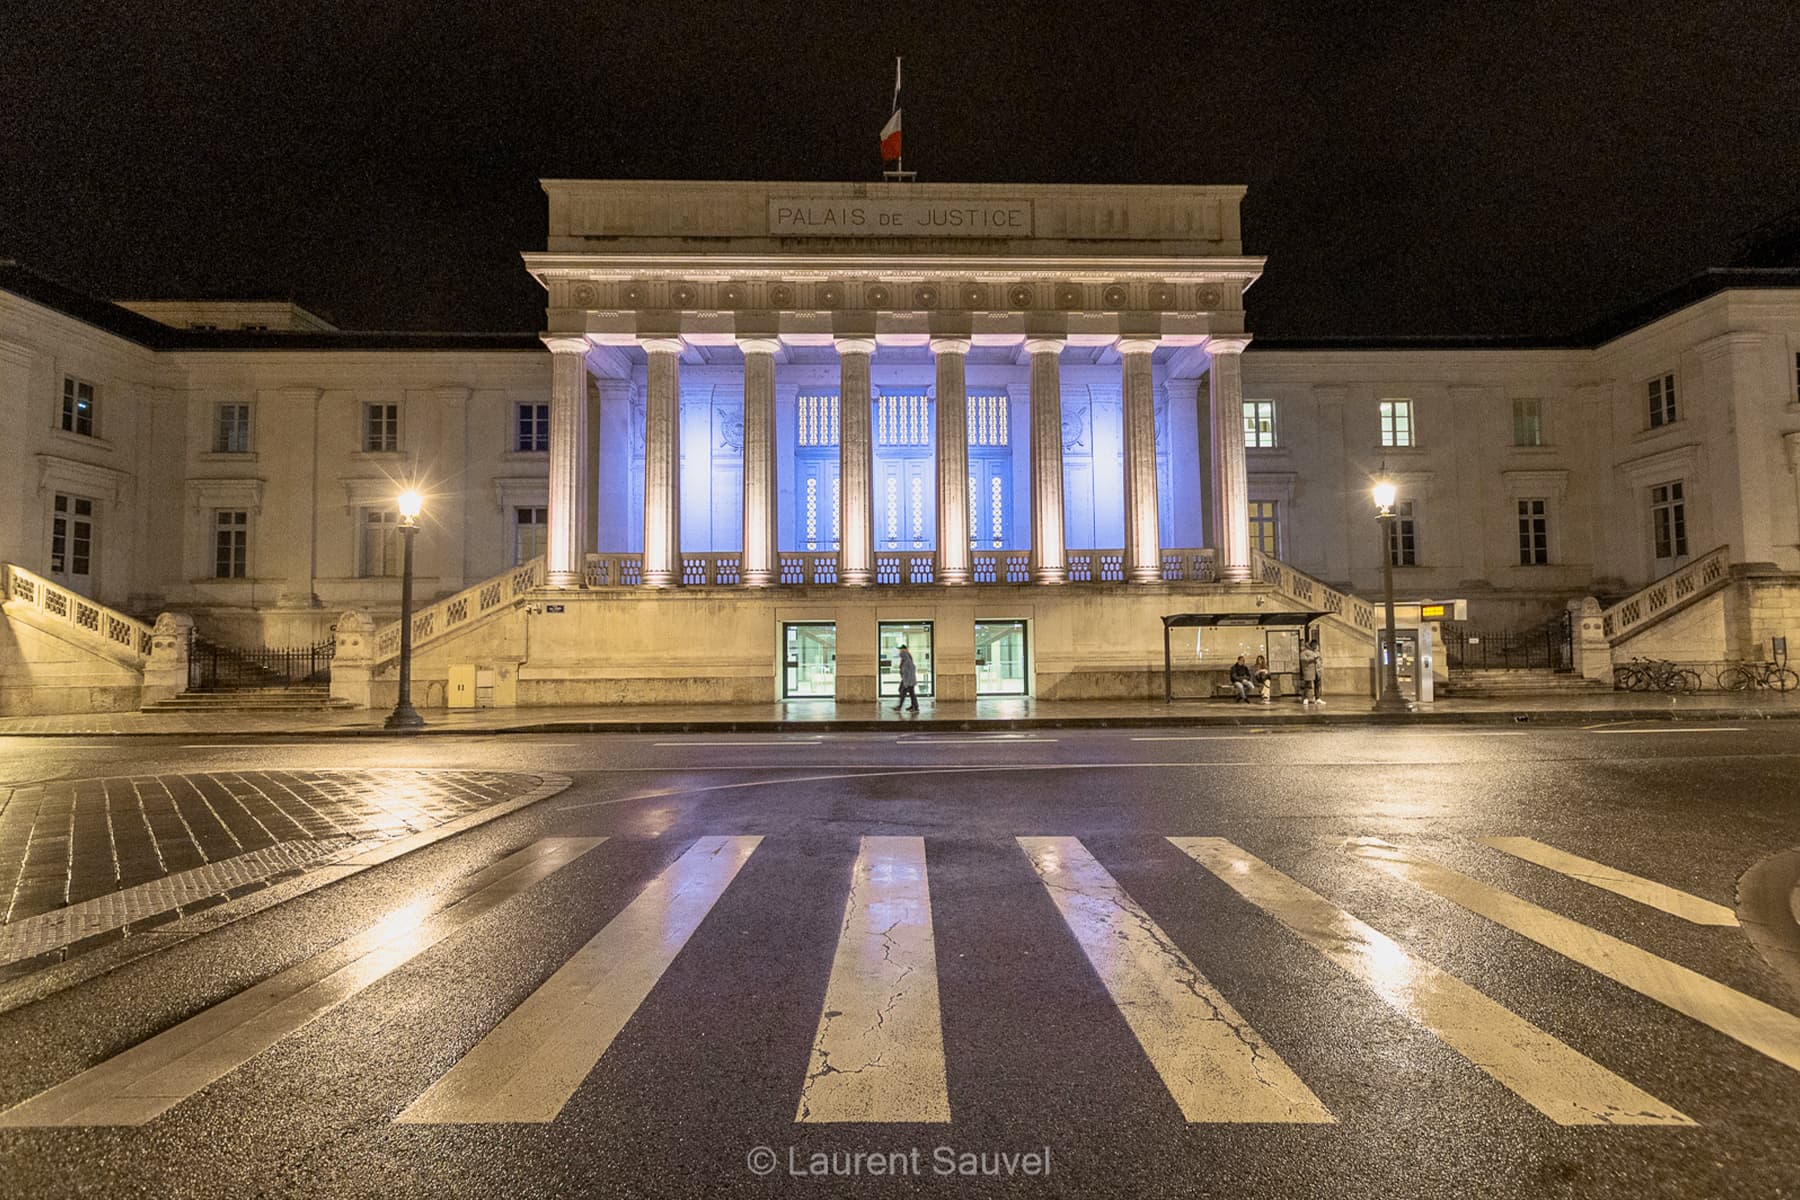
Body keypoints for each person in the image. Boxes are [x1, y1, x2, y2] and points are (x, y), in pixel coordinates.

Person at [894, 644, 920, 712]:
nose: (899, 651)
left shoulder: (907, 660)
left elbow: (910, 671)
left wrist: (907, 682)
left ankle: (913, 707)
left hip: (908, 681)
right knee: (905, 692)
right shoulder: (905, 659)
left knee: (904, 692)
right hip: (906, 680)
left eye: (901, 649)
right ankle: (914, 706)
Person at [1298, 636, 1324, 705]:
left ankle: (1317, 698)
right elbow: (1303, 659)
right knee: (1307, 684)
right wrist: (1313, 659)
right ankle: (1306, 698)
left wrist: (1320, 668)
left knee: (1317, 685)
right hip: (1309, 670)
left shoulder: (1317, 652)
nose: (1315, 646)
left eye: (1316, 644)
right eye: (1314, 644)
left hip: (1317, 670)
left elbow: (1320, 660)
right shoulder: (1306, 651)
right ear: (1311, 644)